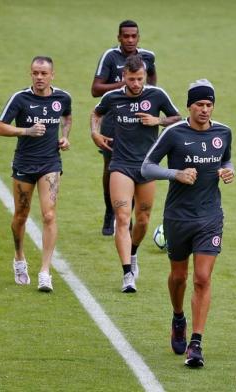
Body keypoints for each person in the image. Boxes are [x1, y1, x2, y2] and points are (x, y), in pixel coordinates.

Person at [142, 79, 235, 368]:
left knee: (202, 278)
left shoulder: (223, 133)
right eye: (199, 105)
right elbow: (146, 166)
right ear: (189, 106)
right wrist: (175, 174)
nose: (205, 110)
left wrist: (228, 172)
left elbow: (227, 160)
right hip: (178, 217)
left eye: (209, 105)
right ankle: (178, 317)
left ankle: (196, 344)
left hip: (210, 217)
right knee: (179, 277)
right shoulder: (173, 133)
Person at [90, 54, 180, 293]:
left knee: (143, 219)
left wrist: (158, 120)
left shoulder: (157, 95)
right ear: (124, 77)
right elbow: (96, 113)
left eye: (140, 78)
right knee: (123, 217)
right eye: (132, 79)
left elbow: (178, 118)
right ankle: (127, 273)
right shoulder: (113, 97)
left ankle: (133, 252)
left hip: (147, 166)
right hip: (120, 164)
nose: (136, 83)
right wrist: (95, 134)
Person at [0, 56, 72, 292]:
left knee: (49, 215)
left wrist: (65, 136)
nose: (39, 77)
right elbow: (1, 125)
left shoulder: (62, 98)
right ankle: (19, 257)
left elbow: (67, 117)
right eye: (35, 73)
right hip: (24, 164)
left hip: (50, 164)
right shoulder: (20, 99)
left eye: (43, 73)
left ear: (52, 75)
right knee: (21, 215)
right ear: (30, 74)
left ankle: (44, 272)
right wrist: (26, 130)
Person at [91, 19, 157, 235]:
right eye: (125, 36)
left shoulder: (147, 57)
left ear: (139, 37)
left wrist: (148, 95)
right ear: (118, 37)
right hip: (114, 122)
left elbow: (153, 80)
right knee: (111, 167)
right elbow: (96, 88)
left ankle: (130, 217)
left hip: (140, 123)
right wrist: (124, 84)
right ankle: (111, 213)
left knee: (141, 166)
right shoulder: (110, 57)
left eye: (133, 36)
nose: (130, 39)